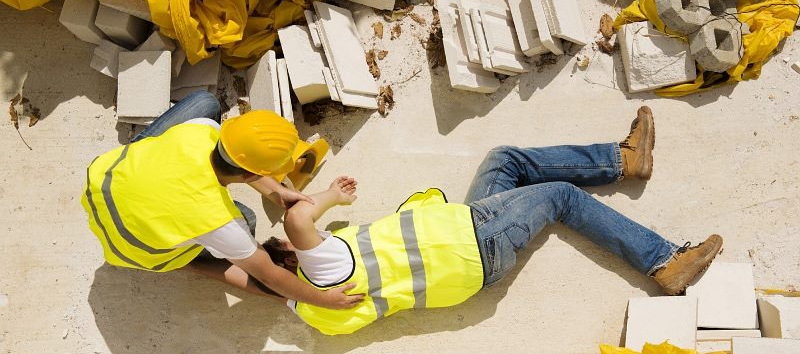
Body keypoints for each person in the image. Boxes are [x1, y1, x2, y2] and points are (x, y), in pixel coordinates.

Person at [264, 106, 723, 335]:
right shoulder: (324, 269)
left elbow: (259, 279)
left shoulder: (314, 313)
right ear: (291, 262)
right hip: (476, 240)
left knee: (504, 160)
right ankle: (664, 262)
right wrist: (330, 195)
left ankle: (625, 159)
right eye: (292, 248)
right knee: (561, 197)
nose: (312, 238)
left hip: (469, 245)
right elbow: (299, 220)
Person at [81, 91, 364, 310]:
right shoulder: (223, 223)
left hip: (103, 183)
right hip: (133, 248)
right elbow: (269, 277)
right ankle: (186, 260)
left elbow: (238, 160)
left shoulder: (200, 129)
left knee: (204, 102)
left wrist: (274, 190)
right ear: (251, 174)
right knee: (249, 221)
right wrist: (324, 300)